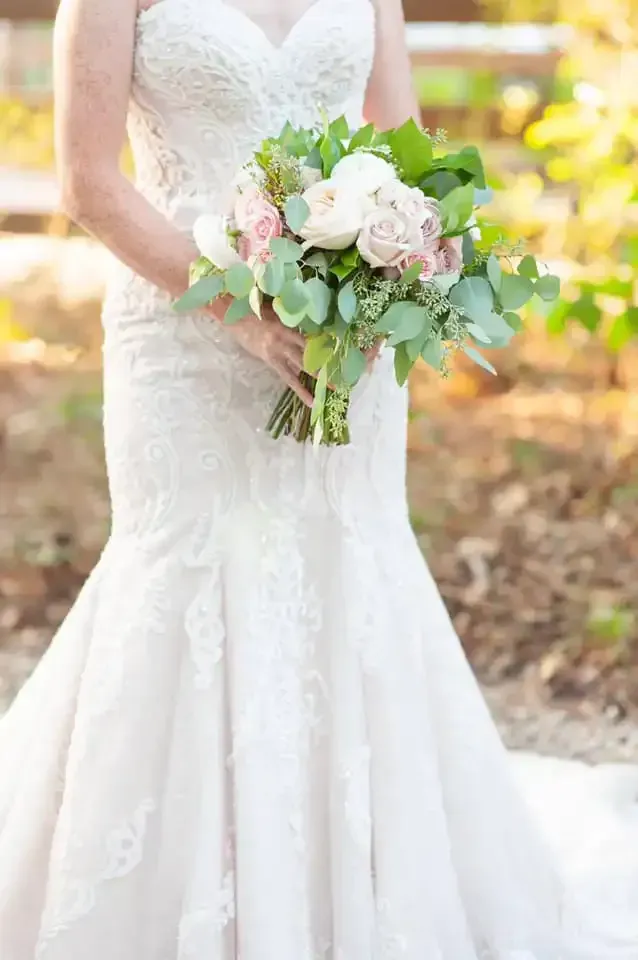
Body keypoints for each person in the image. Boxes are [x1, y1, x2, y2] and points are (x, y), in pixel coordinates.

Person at [0, 1, 636, 957]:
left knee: (348, 559)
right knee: (187, 570)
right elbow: (89, 184)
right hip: (184, 335)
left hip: (354, 333)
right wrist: (243, 309)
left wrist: (407, 271)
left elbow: (400, 140)